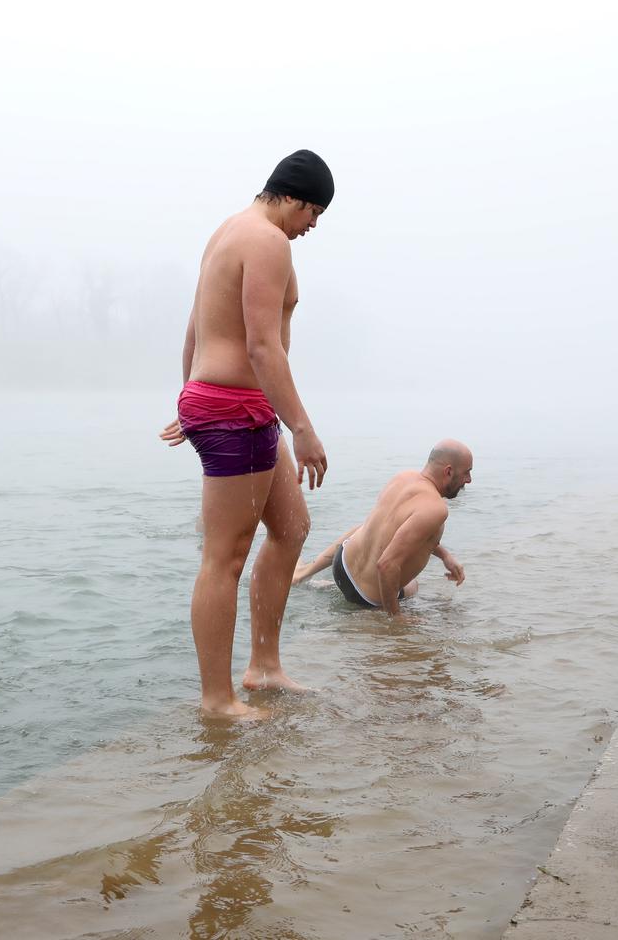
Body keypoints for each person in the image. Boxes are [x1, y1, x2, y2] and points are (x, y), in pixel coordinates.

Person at [159, 149, 333, 719]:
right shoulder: (267, 240)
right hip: (235, 407)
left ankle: (264, 667)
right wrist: (302, 428)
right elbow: (262, 346)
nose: (312, 227)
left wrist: (188, 399)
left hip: (228, 403)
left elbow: (194, 327)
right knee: (225, 557)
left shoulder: (227, 231)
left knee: (291, 527)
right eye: (314, 213)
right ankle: (217, 700)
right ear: (294, 198)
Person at [291, 440, 472, 615]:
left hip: (341, 565)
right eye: (466, 472)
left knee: (370, 526)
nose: (469, 480)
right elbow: (387, 565)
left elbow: (395, 532)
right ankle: (374, 605)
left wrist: (445, 556)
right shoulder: (436, 509)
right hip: (365, 598)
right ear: (448, 471)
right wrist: (395, 618)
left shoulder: (404, 477)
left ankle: (303, 574)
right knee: (413, 586)